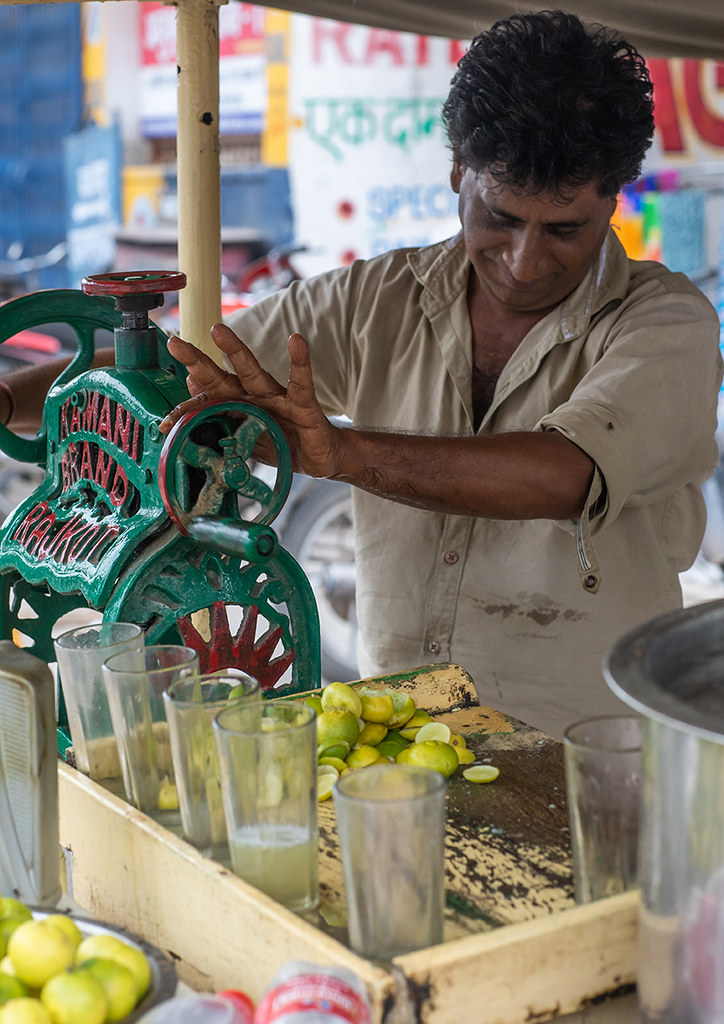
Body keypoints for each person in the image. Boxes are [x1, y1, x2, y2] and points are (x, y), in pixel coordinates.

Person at [3, 12, 722, 737]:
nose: (525, 260)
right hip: (403, 746)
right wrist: (8, 399)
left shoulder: (667, 325)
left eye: (564, 229)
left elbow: (565, 474)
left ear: (614, 200)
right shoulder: (374, 300)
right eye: (499, 218)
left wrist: (341, 455)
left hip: (591, 763)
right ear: (456, 173)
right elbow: (178, 374)